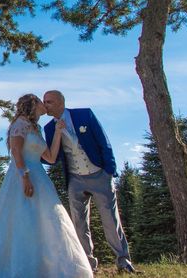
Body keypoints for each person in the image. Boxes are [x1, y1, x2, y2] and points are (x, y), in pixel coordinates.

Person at [0, 94, 93, 278]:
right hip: (22, 177)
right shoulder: (19, 124)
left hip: (41, 179)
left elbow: (51, 157)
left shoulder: (36, 128)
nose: (44, 105)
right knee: (22, 220)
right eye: (40, 101)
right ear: (32, 104)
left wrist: (59, 132)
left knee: (48, 220)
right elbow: (16, 152)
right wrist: (25, 176)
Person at [42, 89, 138, 274]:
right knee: (79, 223)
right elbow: (51, 156)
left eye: (49, 102)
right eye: (45, 102)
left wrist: (109, 170)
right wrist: (30, 151)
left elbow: (103, 141)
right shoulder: (48, 128)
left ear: (61, 102)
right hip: (74, 179)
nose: (46, 105)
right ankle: (87, 264)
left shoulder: (84, 114)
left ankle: (123, 261)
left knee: (110, 218)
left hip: (98, 174)